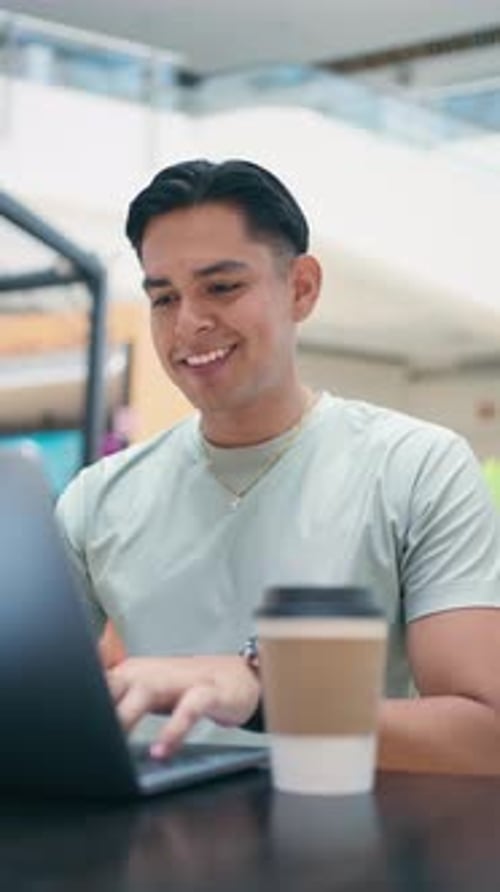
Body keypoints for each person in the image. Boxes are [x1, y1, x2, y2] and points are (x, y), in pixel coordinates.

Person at [57, 158, 500, 775]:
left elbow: (485, 736)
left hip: (344, 851)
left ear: (301, 288)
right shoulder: (96, 499)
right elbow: (35, 706)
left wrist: (268, 699)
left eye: (222, 287)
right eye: (164, 297)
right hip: (146, 853)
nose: (188, 324)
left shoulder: (416, 467)